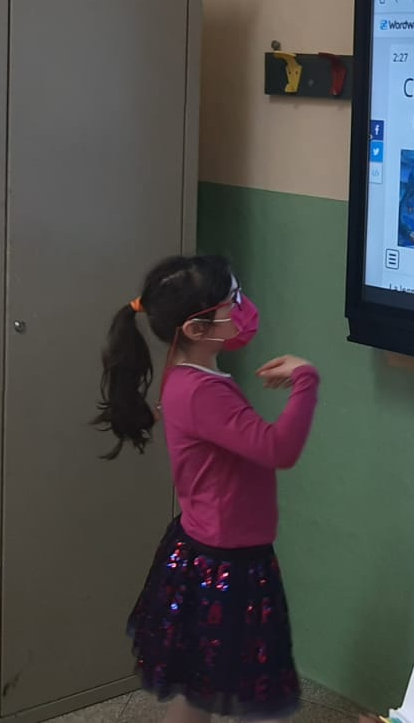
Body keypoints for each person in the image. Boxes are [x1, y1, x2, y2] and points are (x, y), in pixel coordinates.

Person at [92, 255, 319, 723]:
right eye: (233, 301)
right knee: (231, 678)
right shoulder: (203, 392)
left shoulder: (185, 377)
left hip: (207, 549)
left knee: (201, 685)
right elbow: (279, 449)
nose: (244, 308)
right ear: (196, 329)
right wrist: (306, 381)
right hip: (226, 562)